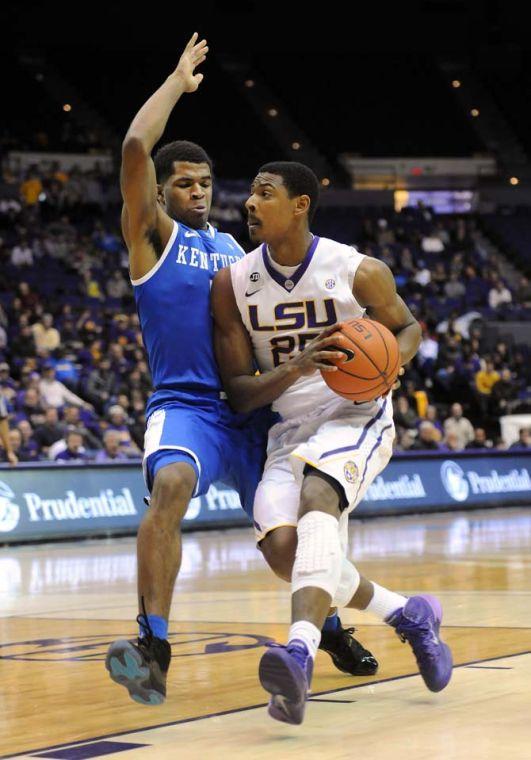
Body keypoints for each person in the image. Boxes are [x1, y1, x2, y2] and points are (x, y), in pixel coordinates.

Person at [105, 37, 373, 707]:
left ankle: (330, 628)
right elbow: (135, 148)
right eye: (183, 184)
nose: (197, 191)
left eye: (203, 181)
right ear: (160, 193)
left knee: (286, 544)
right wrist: (175, 82)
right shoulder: (151, 236)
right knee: (169, 486)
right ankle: (153, 644)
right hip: (187, 407)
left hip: (249, 409)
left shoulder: (231, 249)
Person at [211, 161, 453, 725]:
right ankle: (409, 614)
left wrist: (392, 364)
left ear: (300, 205)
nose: (249, 202)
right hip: (288, 426)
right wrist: (295, 367)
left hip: (356, 412)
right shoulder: (233, 284)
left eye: (263, 193)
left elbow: (408, 328)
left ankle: (298, 653)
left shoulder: (356, 270)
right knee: (285, 554)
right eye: (249, 193)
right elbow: (241, 393)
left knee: (321, 494)